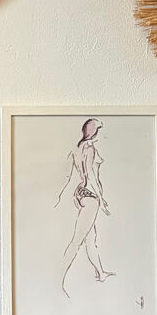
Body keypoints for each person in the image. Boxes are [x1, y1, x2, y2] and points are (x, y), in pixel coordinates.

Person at [55, 118, 115, 296]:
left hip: (82, 194)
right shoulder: (89, 148)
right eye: (100, 130)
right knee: (77, 240)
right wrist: (101, 199)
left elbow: (69, 176)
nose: (102, 133)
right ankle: (58, 280)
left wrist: (72, 195)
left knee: (90, 239)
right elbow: (90, 175)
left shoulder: (77, 149)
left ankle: (100, 273)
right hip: (91, 196)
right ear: (95, 132)